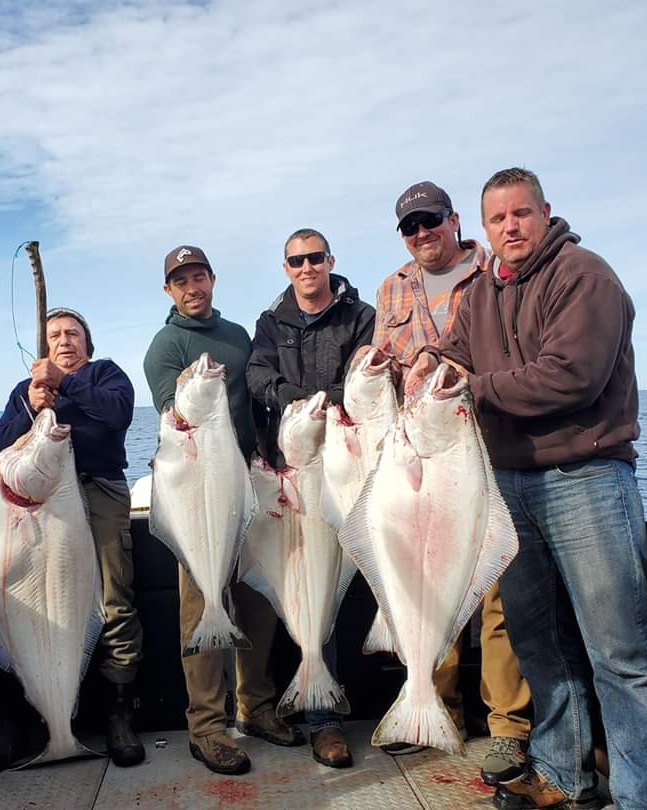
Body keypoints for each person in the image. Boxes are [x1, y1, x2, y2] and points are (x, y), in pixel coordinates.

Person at [409, 167, 647, 810]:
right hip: (508, 485)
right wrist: (430, 365)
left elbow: (571, 378)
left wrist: (471, 389)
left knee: (621, 656)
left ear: (545, 213)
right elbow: (457, 354)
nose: (511, 227)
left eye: (521, 214)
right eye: (498, 219)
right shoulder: (479, 294)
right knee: (539, 645)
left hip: (585, 480)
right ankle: (562, 778)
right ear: (482, 230)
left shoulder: (585, 275)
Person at [371, 181, 531, 785]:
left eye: (431, 221)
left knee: (494, 594)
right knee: (421, 585)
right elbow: (384, 361)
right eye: (409, 227)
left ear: (455, 220)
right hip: (418, 454)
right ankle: (434, 710)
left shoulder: (494, 270)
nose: (421, 234)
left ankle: (508, 729)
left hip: (485, 449)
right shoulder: (392, 287)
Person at [143, 245, 303, 775]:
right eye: (180, 281)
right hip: (199, 495)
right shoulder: (165, 345)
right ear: (168, 291)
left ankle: (255, 708)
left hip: (247, 483)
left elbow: (255, 399)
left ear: (212, 279)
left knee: (257, 597)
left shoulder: (237, 335)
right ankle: (206, 726)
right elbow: (176, 415)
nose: (191, 287)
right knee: (202, 607)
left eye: (198, 277)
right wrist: (192, 387)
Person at [0, 307, 145, 767]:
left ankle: (119, 715)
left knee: (115, 601)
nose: (64, 340)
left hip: (99, 492)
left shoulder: (105, 375)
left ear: (87, 342)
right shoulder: (26, 391)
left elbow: (118, 414)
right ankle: (24, 720)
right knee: (28, 605)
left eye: (73, 333)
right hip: (43, 505)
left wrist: (66, 381)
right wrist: (31, 408)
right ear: (44, 348)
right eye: (55, 334)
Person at [245, 228, 375, 769]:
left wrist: (323, 404)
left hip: (340, 464)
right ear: (286, 267)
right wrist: (295, 401)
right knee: (289, 581)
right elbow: (257, 373)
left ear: (330, 261)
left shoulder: (359, 315)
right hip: (286, 468)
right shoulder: (271, 322)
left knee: (325, 584)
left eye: (314, 258)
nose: (306, 267)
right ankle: (290, 699)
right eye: (296, 260)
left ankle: (325, 720)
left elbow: (367, 380)